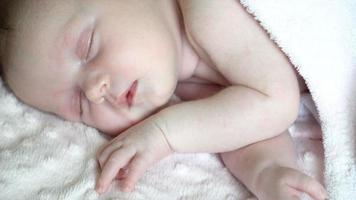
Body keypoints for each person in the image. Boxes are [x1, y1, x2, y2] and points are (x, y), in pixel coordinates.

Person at [0, 0, 328, 199]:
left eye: (88, 47)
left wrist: (166, 134)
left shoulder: (207, 12)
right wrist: (269, 171)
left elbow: (274, 100)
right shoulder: (186, 84)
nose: (94, 90)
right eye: (78, 105)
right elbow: (245, 122)